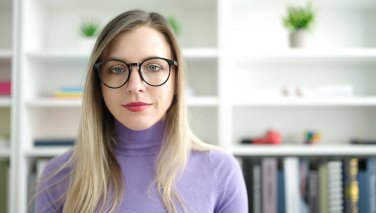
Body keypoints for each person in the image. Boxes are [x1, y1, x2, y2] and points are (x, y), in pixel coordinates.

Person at [35, 10, 248, 213]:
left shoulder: (220, 171)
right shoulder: (59, 175)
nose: (135, 85)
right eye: (117, 69)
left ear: (175, 81)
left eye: (154, 67)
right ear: (98, 84)